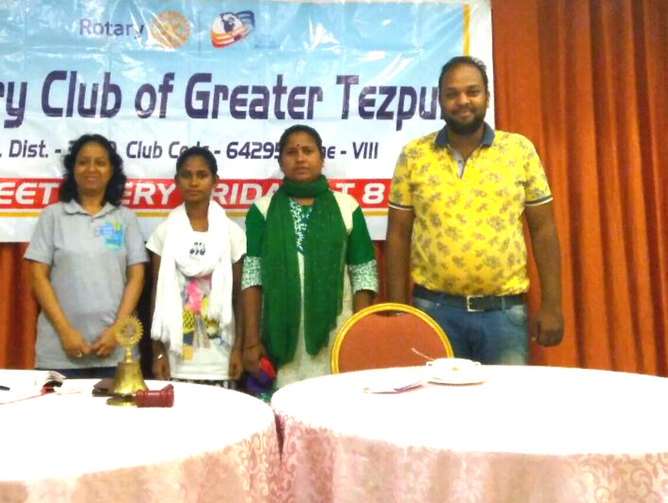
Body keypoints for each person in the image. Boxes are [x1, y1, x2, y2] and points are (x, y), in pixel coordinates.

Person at [385, 55, 563, 365]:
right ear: (439, 100)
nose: (462, 101)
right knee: (434, 408)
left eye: (472, 92)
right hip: (433, 311)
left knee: (500, 410)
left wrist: (552, 303)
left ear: (487, 97)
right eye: (452, 94)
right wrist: (400, 308)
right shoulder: (414, 155)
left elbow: (544, 231)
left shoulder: (519, 150)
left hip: (503, 316)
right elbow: (398, 235)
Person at [241, 125, 378, 388]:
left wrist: (360, 335)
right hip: (278, 337)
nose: (300, 158)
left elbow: (363, 274)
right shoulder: (262, 210)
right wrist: (251, 341)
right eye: (291, 152)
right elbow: (252, 278)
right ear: (281, 162)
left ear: (321, 158)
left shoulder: (347, 206)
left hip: (337, 332)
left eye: (308, 151)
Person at [24, 134, 148, 379]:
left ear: (112, 170)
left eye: (100, 162)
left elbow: (137, 277)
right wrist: (65, 332)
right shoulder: (52, 216)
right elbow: (37, 276)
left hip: (117, 353)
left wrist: (117, 331)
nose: (91, 168)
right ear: (72, 168)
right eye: (83, 162)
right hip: (61, 353)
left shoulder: (125, 218)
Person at [147, 147, 247, 387]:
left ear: (215, 181)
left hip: (221, 360)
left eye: (201, 175)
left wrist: (238, 350)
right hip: (176, 361)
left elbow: (239, 297)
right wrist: (158, 352)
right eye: (186, 175)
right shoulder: (163, 233)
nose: (193, 182)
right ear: (176, 181)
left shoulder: (232, 234)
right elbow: (156, 295)